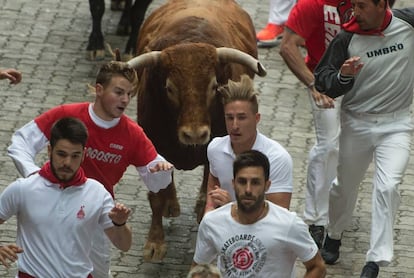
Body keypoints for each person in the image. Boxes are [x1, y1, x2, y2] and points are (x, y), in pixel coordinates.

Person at [7, 61, 174, 278]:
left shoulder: (132, 134)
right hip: (51, 204)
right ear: (99, 89)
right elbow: (21, 142)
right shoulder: (68, 114)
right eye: (119, 92)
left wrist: (161, 171)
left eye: (130, 94)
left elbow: (157, 179)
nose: (125, 100)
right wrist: (33, 174)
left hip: (96, 214)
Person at [313, 1, 412, 277]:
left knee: (388, 186)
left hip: (397, 123)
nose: (355, 12)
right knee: (344, 186)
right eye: (354, 5)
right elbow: (322, 81)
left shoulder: (409, 24)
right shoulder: (346, 36)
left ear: (383, 4)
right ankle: (334, 234)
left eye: (362, 6)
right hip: (357, 122)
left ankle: (375, 260)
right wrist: (343, 77)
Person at [0, 117, 132, 277]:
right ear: (50, 151)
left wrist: (120, 224)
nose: (67, 162)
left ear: (83, 155)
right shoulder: (23, 189)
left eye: (75, 156)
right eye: (61, 154)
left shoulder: (97, 193)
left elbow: (124, 245)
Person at [279, 0, 357, 249]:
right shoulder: (311, 5)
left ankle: (338, 213)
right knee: (328, 145)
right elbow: (287, 46)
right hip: (325, 81)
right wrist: (313, 84)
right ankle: (316, 219)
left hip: (363, 83)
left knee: (353, 149)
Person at [192, 150, 326, 277]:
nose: (248, 189)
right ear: (233, 184)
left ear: (267, 185)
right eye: (242, 182)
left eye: (255, 182)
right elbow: (198, 269)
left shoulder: (289, 224)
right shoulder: (212, 222)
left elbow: (317, 267)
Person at [205, 75, 293, 214]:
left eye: (241, 118)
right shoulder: (215, 148)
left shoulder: (277, 158)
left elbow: (278, 217)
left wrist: (232, 209)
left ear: (256, 118)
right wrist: (209, 213)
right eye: (229, 118)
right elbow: (214, 181)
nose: (234, 125)